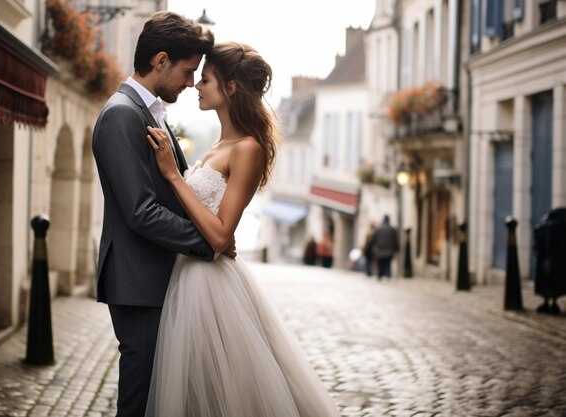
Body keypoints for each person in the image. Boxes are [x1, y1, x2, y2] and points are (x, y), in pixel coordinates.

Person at [145, 42, 340, 417]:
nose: (196, 86)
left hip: (210, 286)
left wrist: (172, 174)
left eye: (205, 80)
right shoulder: (217, 145)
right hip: (185, 276)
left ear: (230, 87)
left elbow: (219, 236)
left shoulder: (247, 148)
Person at [91, 12, 236, 417]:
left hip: (156, 278)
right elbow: (140, 211)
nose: (191, 83)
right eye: (188, 72)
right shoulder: (122, 114)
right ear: (160, 61)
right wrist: (209, 243)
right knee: (137, 402)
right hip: (138, 283)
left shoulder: (148, 110)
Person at [370, 214, 399, 279]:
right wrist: (397, 249)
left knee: (380, 264)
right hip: (389, 250)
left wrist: (373, 248)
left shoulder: (378, 229)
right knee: (388, 264)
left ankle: (380, 276)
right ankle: (388, 276)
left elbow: (373, 240)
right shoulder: (392, 229)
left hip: (380, 250)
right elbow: (395, 240)